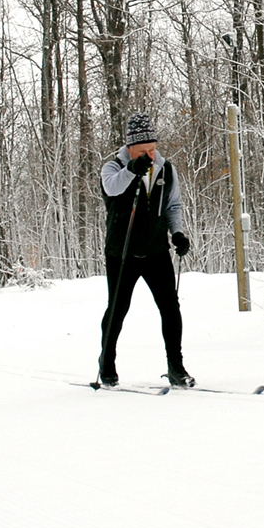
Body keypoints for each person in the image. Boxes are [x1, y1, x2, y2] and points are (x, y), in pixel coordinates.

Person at [98, 112, 195, 388]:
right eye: (142, 151)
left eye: (152, 149)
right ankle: (107, 364)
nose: (149, 155)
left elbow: (172, 205)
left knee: (170, 308)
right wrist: (131, 170)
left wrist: (177, 233)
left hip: (155, 249)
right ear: (130, 149)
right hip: (122, 251)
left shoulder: (166, 169)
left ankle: (176, 366)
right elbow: (111, 188)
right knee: (117, 309)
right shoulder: (113, 168)